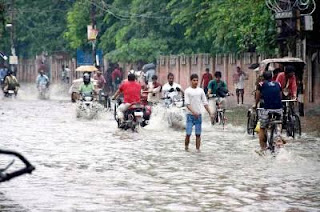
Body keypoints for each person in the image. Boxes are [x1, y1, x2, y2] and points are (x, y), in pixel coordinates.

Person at [255, 71, 283, 153]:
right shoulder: (278, 84)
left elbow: (258, 96)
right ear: (272, 77)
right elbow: (280, 96)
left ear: (263, 78)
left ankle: (263, 148)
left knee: (262, 127)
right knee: (279, 123)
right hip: (279, 109)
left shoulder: (261, 84)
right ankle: (278, 135)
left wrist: (255, 104)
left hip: (267, 109)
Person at [184, 74, 213, 151]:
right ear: (191, 81)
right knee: (188, 133)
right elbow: (187, 104)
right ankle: (186, 148)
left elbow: (205, 103)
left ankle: (198, 150)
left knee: (198, 135)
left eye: (197, 80)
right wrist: (193, 112)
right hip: (190, 115)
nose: (196, 82)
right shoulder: (187, 91)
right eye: (194, 80)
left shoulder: (201, 91)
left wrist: (210, 113)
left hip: (198, 116)